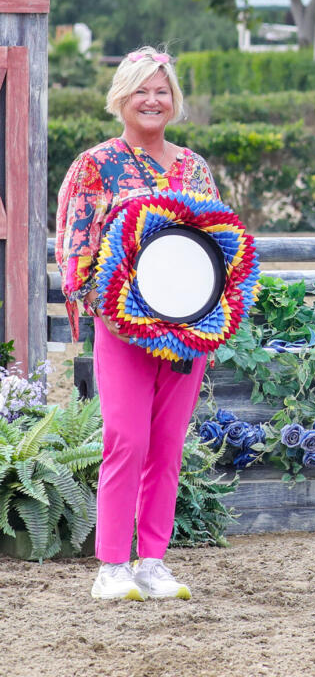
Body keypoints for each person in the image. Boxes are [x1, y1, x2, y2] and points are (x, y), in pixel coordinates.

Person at [56, 48, 221, 602]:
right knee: (126, 439)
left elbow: (220, 249)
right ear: (120, 99)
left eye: (162, 91)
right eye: (141, 91)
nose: (153, 101)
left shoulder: (195, 168)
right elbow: (76, 252)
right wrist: (111, 306)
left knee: (168, 444)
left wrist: (211, 325)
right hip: (123, 331)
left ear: (174, 101)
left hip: (186, 336)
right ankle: (112, 566)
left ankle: (153, 560)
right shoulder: (95, 166)